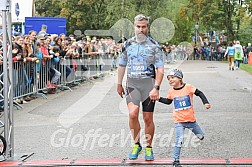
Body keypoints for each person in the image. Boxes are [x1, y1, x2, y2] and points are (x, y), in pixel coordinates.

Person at [117, 14, 164, 161]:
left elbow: (160, 69)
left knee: (147, 118)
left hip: (148, 84)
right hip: (132, 83)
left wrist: (156, 87)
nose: (141, 29)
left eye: (143, 27)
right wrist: (119, 83)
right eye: (138, 26)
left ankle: (149, 148)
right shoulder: (127, 44)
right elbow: (122, 64)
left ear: (148, 27)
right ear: (134, 26)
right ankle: (136, 144)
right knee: (132, 114)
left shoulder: (155, 46)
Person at [158, 69, 211, 167]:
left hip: (191, 120)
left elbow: (199, 93)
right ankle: (176, 161)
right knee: (179, 140)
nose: (170, 80)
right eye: (168, 79)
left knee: (200, 136)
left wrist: (206, 102)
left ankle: (200, 135)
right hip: (179, 121)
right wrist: (158, 99)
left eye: (172, 78)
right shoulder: (171, 91)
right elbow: (168, 101)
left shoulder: (188, 87)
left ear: (180, 78)